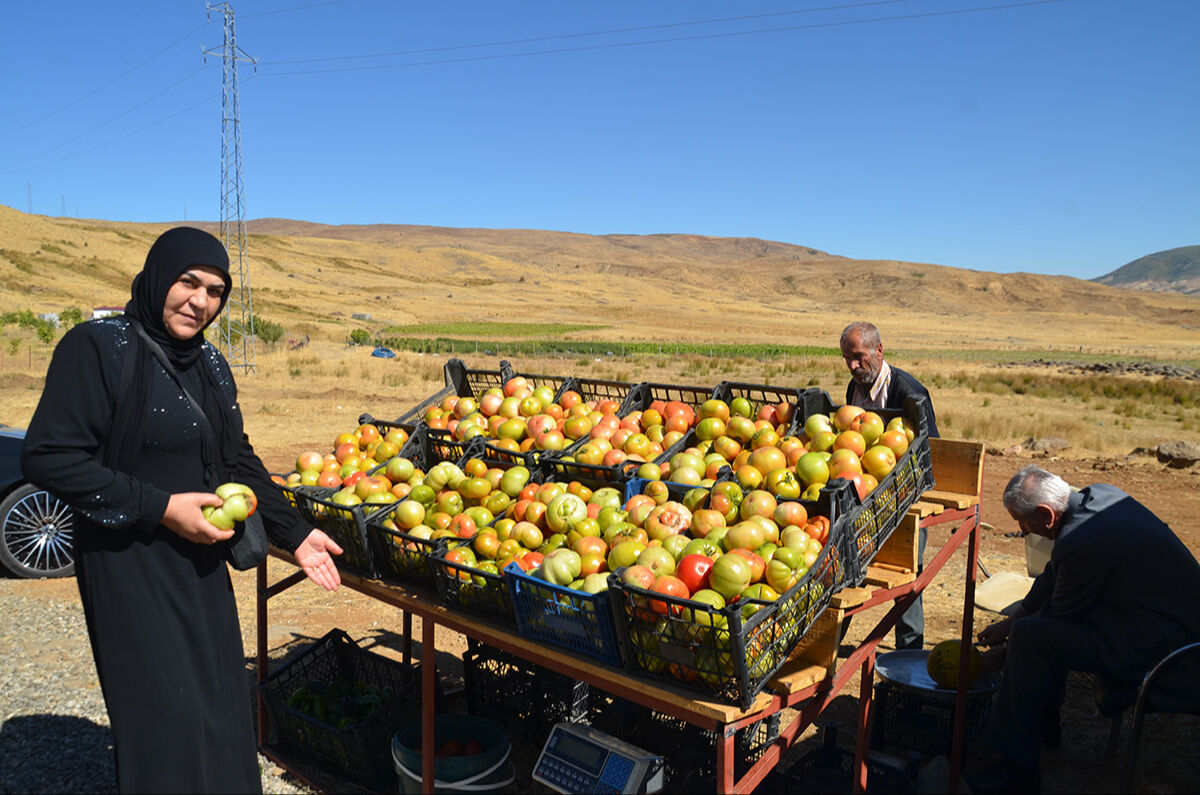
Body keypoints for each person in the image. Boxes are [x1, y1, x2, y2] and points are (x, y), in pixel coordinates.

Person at [20, 227, 344, 794]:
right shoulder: (96, 348)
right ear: (157, 275)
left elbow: (236, 458)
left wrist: (294, 533)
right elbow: (48, 456)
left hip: (199, 561)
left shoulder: (210, 362)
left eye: (216, 290)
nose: (200, 301)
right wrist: (161, 507)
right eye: (188, 281)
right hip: (128, 563)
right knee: (164, 719)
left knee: (219, 709)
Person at [969, 465, 1200, 793]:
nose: (1023, 532)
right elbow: (1054, 574)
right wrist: (1012, 620)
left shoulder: (1082, 540)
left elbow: (1060, 617)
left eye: (1023, 524)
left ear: (1047, 515)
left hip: (1169, 651)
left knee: (1032, 639)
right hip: (1158, 624)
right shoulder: (1098, 496)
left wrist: (1005, 652)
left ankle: (1018, 770)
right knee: (1031, 630)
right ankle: (1046, 725)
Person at [839, 320, 938, 650]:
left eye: (858, 356)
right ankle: (828, 644)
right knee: (847, 572)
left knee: (908, 578)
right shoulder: (855, 387)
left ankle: (909, 654)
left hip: (903, 500)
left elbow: (930, 452)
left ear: (878, 350)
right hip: (862, 497)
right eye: (847, 359)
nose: (853, 366)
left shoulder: (909, 393)